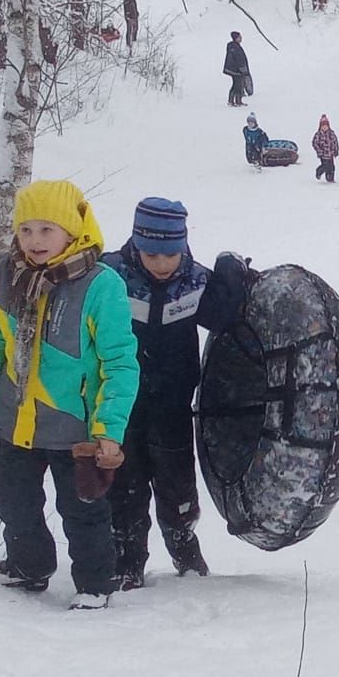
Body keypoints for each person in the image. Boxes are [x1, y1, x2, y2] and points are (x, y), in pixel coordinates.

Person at [0, 180, 140, 610]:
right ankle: (28, 566)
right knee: (11, 500)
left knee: (83, 512)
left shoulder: (102, 285)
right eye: (26, 230)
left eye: (47, 230)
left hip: (77, 428)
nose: (34, 241)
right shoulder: (5, 274)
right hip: (17, 420)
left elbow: (119, 365)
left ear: (72, 231)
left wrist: (109, 430)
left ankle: (95, 584)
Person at [101, 198, 249, 590]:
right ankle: (127, 559)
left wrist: (231, 272)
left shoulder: (195, 281)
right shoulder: (111, 275)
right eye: (152, 254)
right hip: (121, 403)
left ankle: (185, 549)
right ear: (136, 243)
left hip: (173, 402)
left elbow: (219, 316)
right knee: (125, 484)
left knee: (176, 481)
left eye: (171, 254)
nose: (162, 264)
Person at [223, 31, 250, 107]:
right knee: (237, 85)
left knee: (237, 85)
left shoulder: (233, 46)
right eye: (239, 37)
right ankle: (233, 101)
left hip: (234, 69)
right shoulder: (235, 48)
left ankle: (236, 101)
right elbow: (239, 60)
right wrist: (242, 69)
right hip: (235, 70)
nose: (241, 38)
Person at [311, 114, 339, 182]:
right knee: (325, 166)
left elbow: (335, 142)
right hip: (323, 154)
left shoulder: (332, 134)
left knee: (332, 167)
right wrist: (319, 151)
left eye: (326, 126)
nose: (324, 128)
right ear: (320, 126)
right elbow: (314, 143)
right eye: (323, 126)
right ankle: (319, 172)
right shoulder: (318, 135)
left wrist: (336, 150)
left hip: (331, 153)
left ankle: (330, 178)